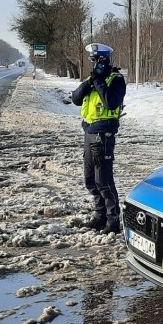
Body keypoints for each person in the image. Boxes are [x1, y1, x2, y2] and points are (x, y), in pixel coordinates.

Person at [71, 42, 127, 233]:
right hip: (89, 133)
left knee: (103, 180)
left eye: (98, 60)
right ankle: (99, 215)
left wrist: (100, 81)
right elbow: (76, 98)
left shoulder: (115, 79)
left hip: (104, 134)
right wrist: (90, 81)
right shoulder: (92, 79)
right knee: (90, 180)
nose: (95, 64)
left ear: (106, 60)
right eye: (93, 60)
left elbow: (111, 103)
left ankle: (112, 222)